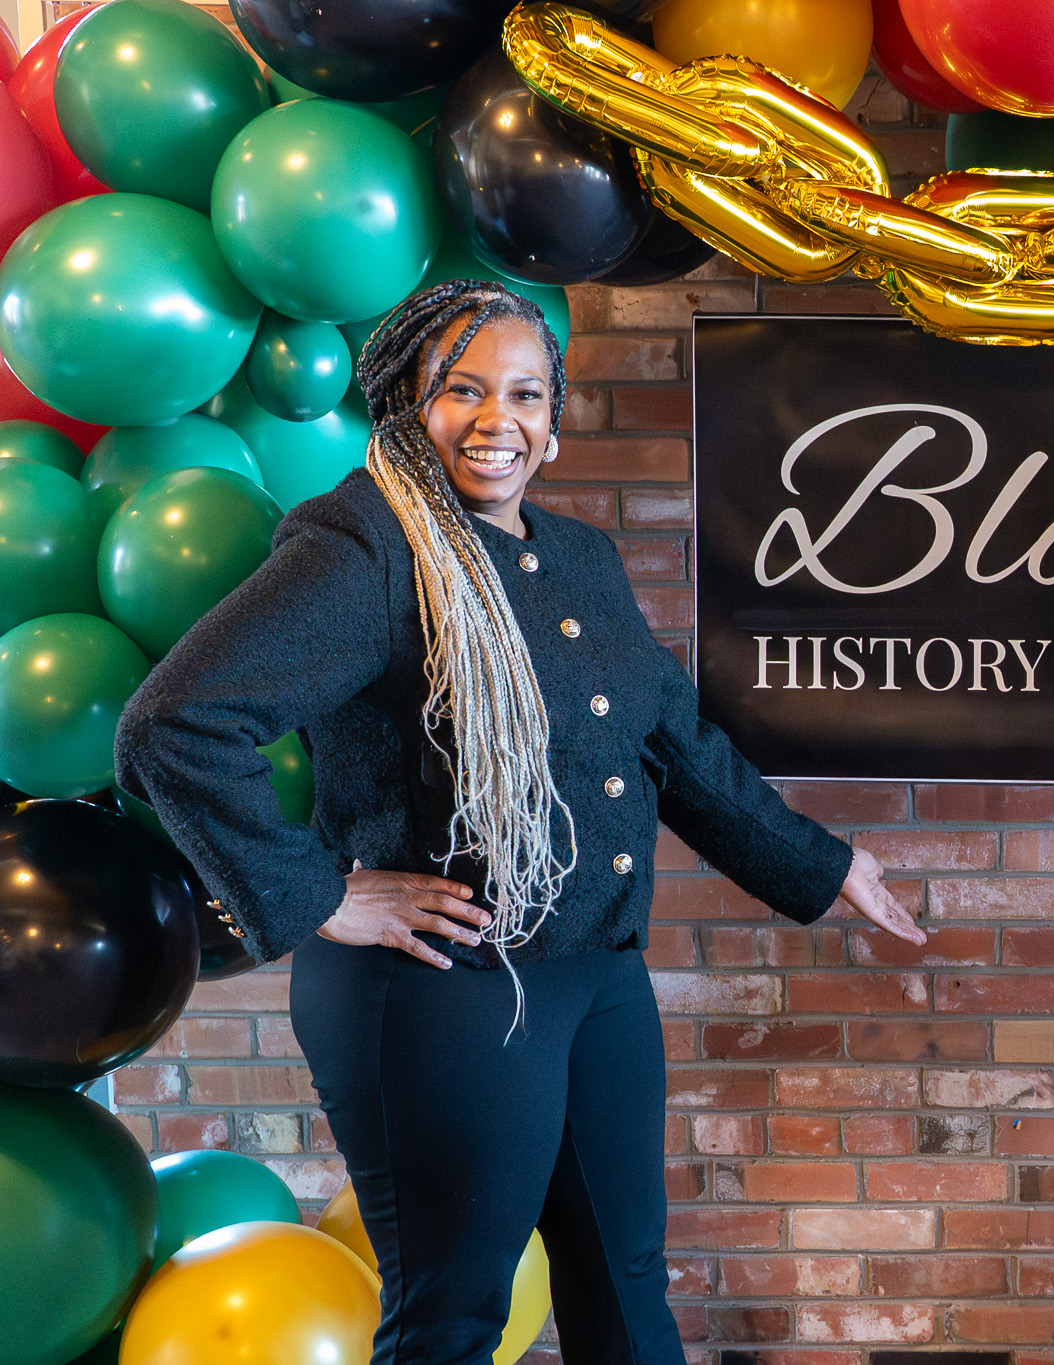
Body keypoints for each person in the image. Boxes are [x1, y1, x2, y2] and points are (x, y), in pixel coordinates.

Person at [116, 279, 925, 1365]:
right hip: (441, 986)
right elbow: (175, 722)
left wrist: (824, 864)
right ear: (405, 401)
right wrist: (320, 897)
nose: (498, 419)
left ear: (553, 416)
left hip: (595, 973)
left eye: (526, 393)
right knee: (453, 1314)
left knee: (628, 1290)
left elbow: (666, 736)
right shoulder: (365, 549)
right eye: (463, 389)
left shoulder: (577, 554)